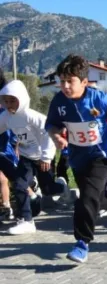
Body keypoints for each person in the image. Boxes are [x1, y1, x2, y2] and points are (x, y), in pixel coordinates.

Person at [45, 54, 107, 264]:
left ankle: (82, 242)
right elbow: (51, 124)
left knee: (86, 198)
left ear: (84, 82)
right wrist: (57, 136)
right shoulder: (59, 101)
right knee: (95, 198)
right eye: (62, 81)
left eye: (71, 81)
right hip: (78, 157)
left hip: (102, 155)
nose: (66, 86)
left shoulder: (100, 98)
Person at [0, 80, 69, 234]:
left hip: (42, 158)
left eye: (13, 100)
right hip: (26, 158)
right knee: (18, 185)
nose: (9, 104)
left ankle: (62, 187)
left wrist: (46, 157)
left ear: (22, 99)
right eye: (6, 100)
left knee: (48, 189)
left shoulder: (33, 116)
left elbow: (48, 135)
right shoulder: (6, 117)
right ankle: (26, 221)